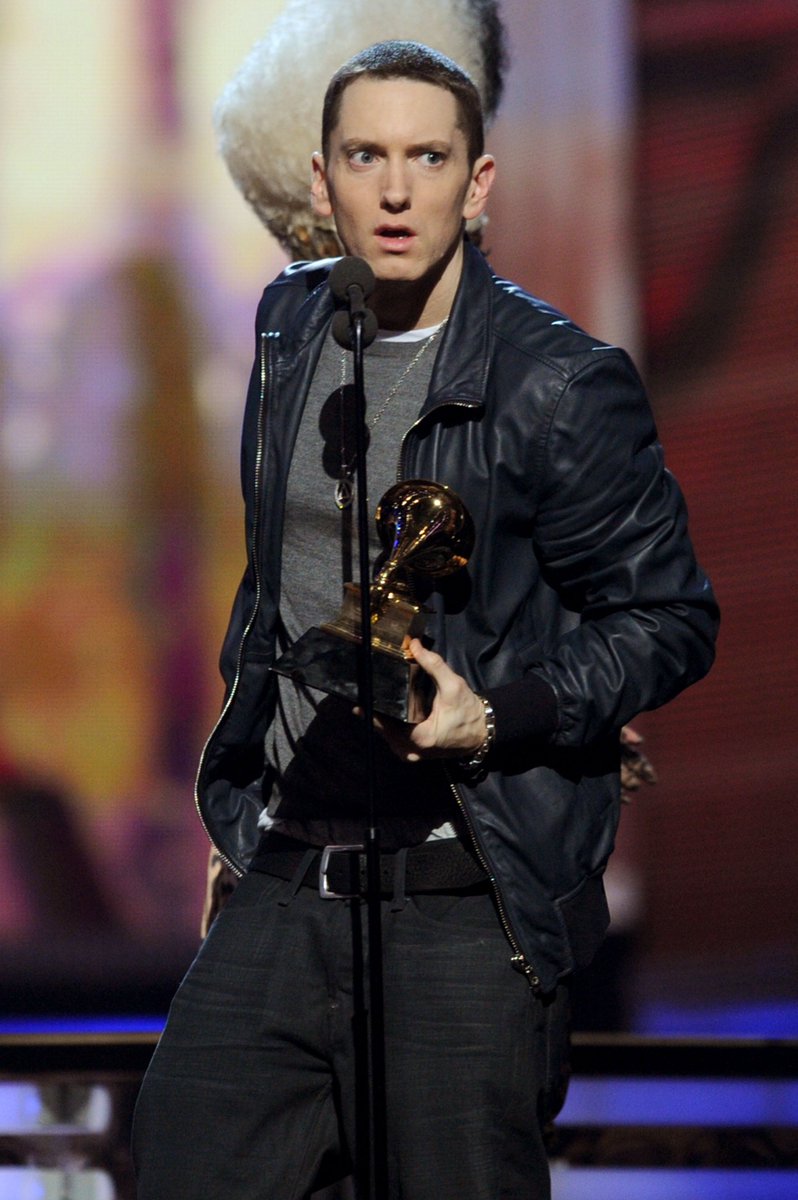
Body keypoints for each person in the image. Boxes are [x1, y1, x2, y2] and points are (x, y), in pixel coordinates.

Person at [132, 40, 718, 1200]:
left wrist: (505, 714)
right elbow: (282, 584)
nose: (397, 191)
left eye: (427, 158)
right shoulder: (287, 330)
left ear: (478, 181)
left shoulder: (558, 382)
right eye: (367, 157)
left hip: (465, 893)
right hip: (289, 872)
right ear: (322, 180)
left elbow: (668, 617)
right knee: (178, 1159)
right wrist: (249, 790)